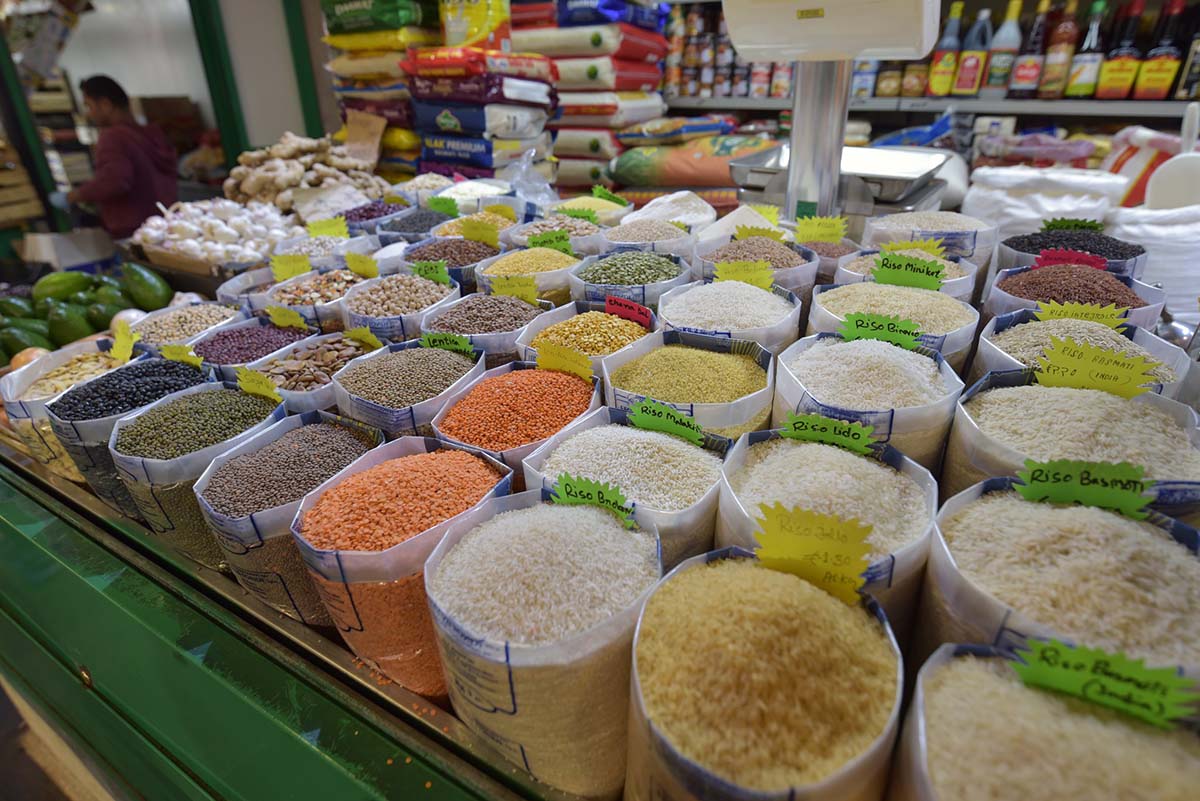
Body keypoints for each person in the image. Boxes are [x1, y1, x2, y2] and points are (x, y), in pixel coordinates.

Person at [65, 75, 177, 239]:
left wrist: (75, 195)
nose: (89, 114)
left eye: (89, 106)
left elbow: (114, 181)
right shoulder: (153, 134)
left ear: (105, 105)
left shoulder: (113, 137)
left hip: (135, 231)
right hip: (167, 223)